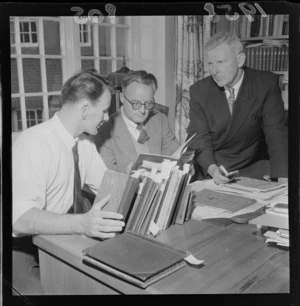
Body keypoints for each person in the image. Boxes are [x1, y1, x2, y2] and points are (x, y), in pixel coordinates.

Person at [12, 69, 125, 294]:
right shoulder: (33, 143)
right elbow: (20, 219)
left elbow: (111, 187)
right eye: (104, 111)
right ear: (85, 110)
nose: (106, 118)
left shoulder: (84, 144)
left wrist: (147, 184)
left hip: (61, 238)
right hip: (23, 248)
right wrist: (82, 223)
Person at [187, 32, 288, 185]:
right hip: (212, 169)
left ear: (240, 60)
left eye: (221, 62)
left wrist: (284, 182)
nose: (214, 71)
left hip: (251, 168)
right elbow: (200, 140)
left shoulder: (266, 84)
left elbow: (276, 135)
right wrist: (213, 170)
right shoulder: (199, 91)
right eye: (210, 63)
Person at [92, 70, 180, 174]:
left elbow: (175, 158)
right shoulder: (104, 131)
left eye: (148, 103)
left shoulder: (159, 120)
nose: (142, 111)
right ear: (122, 98)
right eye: (136, 103)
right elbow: (109, 182)